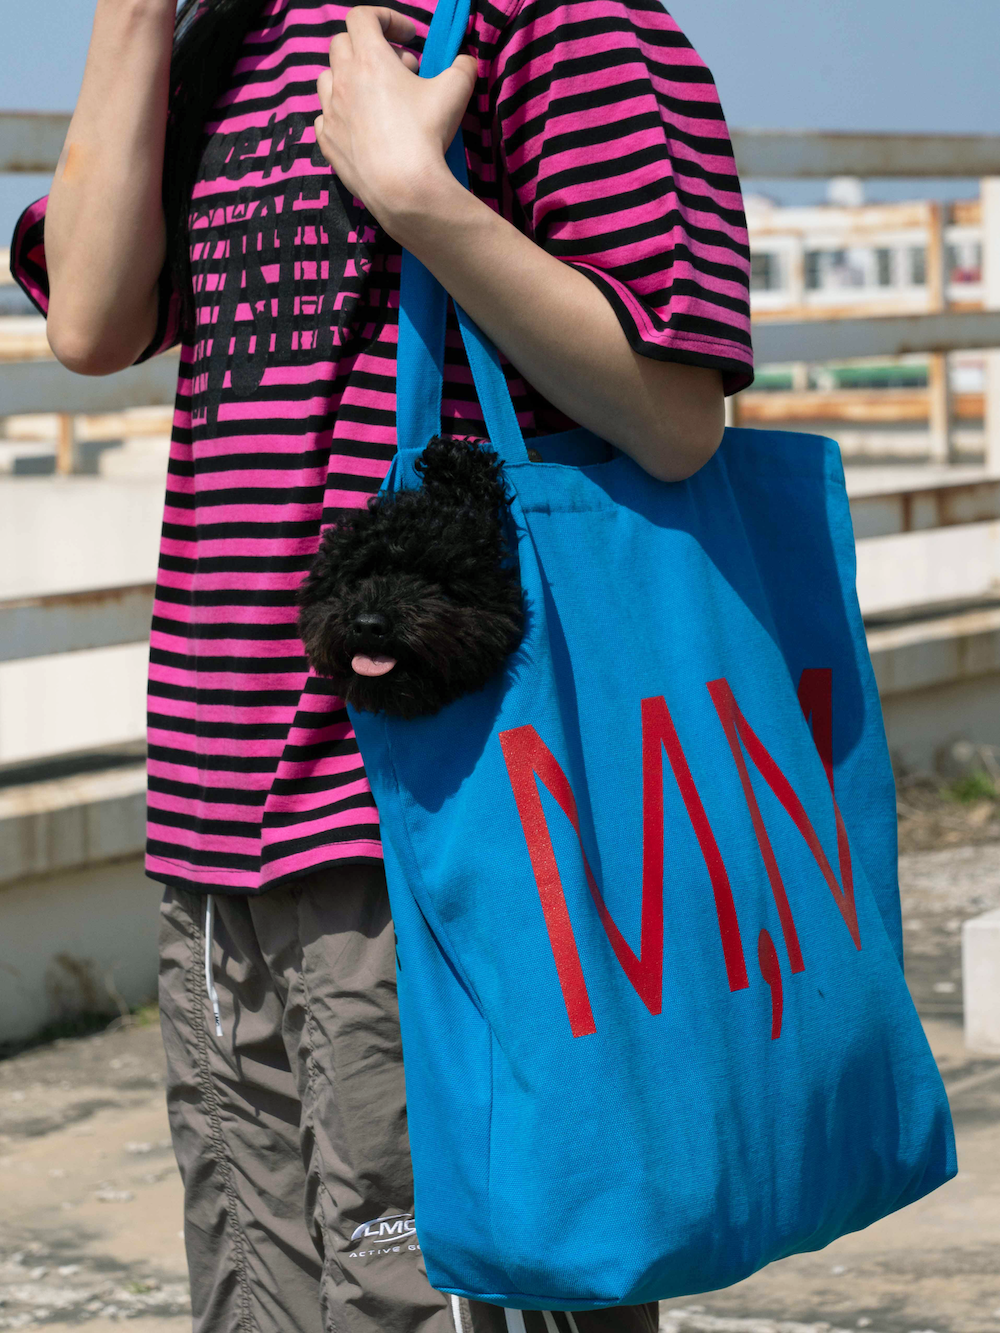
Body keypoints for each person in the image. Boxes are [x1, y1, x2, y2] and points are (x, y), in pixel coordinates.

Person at [11, 0, 753, 1329]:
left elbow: (678, 416)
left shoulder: (556, 17)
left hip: (443, 817)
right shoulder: (233, 30)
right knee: (262, 1299)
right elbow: (91, 321)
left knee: (455, 1296)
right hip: (215, 809)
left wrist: (419, 195)